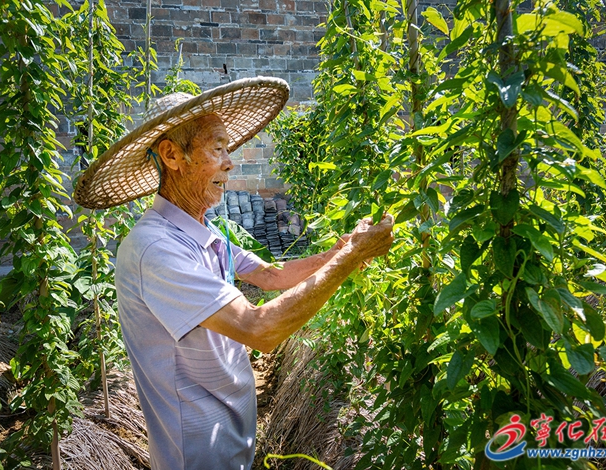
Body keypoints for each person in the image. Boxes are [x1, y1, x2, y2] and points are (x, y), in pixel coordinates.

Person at [73, 77, 394, 469]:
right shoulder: (156, 249)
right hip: (197, 451)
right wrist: (346, 263)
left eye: (228, 148)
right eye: (218, 148)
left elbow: (272, 275)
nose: (229, 161)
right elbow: (259, 329)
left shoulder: (202, 233)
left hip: (229, 435)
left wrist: (338, 253)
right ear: (172, 155)